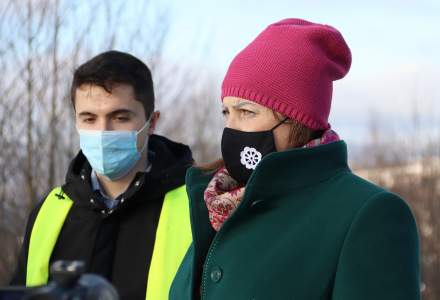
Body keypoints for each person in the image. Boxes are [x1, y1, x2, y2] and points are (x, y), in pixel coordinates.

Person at [169, 19, 420, 300]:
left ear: (299, 120)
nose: (231, 128)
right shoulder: (218, 205)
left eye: (247, 112)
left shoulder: (367, 214)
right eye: (226, 112)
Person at [11, 50, 194, 300]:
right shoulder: (48, 211)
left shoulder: (196, 207)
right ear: (76, 122)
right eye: (89, 118)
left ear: (151, 122)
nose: (103, 131)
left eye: (120, 117)